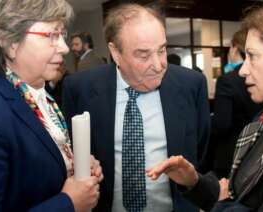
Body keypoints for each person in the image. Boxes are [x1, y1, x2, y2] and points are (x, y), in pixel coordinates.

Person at [147, 0, 263, 211]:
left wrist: (222, 203)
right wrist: (194, 181)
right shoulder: (261, 122)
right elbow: (238, 195)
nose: (242, 71)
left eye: (252, 56)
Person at [62, 3, 210, 212]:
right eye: (143, 55)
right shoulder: (80, 89)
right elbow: (74, 158)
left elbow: (202, 157)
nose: (158, 64)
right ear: (115, 52)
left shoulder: (191, 85)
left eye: (162, 50)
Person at [0, 0, 103, 211]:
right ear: (10, 42)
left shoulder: (36, 94)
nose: (64, 48)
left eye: (62, 35)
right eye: (51, 36)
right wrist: (69, 203)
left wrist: (72, 163)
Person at [210, 29, 263, 178]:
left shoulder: (227, 80)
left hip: (232, 153)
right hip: (262, 150)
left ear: (234, 48)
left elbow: (222, 124)